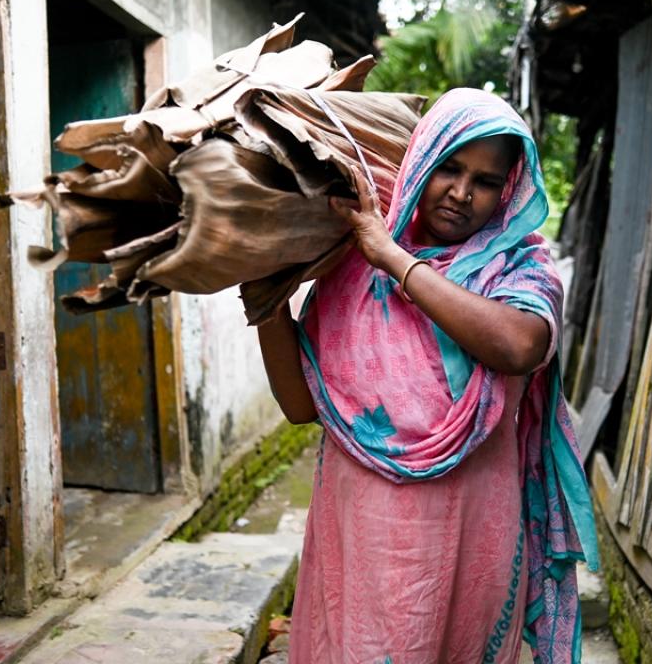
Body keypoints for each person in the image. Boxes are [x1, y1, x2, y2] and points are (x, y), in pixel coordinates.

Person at [248, 88, 598, 663]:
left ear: (508, 187)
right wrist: (264, 293)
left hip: (472, 527)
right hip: (363, 528)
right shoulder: (350, 261)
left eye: (485, 181)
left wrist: (393, 258)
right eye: (450, 168)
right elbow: (300, 405)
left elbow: (518, 345)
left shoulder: (519, 264)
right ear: (423, 160)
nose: (462, 193)